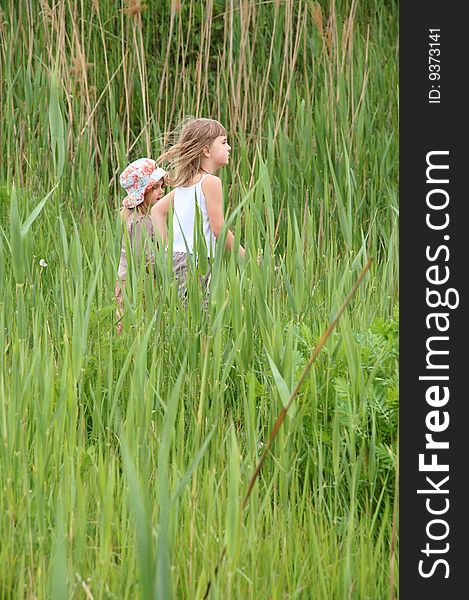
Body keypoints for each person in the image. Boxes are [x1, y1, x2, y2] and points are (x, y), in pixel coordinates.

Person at [151, 117, 245, 298]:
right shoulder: (211, 182)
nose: (229, 148)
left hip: (176, 259)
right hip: (197, 260)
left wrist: (167, 249)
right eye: (224, 142)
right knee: (199, 316)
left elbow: (157, 211)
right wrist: (243, 254)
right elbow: (218, 229)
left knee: (182, 316)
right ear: (207, 151)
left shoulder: (185, 184)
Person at [115, 157, 166, 334]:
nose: (161, 192)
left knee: (132, 319)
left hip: (133, 279)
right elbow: (142, 256)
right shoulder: (140, 221)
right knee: (132, 321)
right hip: (134, 281)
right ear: (142, 192)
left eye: (162, 187)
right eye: (155, 188)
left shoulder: (139, 217)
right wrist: (164, 267)